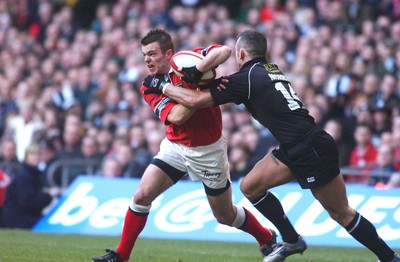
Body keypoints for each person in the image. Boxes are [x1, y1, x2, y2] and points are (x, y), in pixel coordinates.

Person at [143, 30, 399, 262]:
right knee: (250, 186)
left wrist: (163, 86)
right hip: (297, 145)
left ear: (241, 54)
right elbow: (229, 87)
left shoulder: (247, 78)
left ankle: (388, 258)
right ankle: (291, 240)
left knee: (341, 213)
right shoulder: (268, 69)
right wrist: (211, 81)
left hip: (310, 148)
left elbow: (197, 100)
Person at [92, 28, 276, 262]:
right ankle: (121, 255)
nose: (147, 60)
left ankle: (266, 237)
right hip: (175, 148)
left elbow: (225, 51)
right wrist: (198, 88)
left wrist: (197, 71)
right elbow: (177, 117)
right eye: (144, 55)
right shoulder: (150, 85)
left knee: (225, 215)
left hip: (209, 152)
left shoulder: (190, 60)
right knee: (141, 196)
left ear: (169, 54)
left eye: (152, 54)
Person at [2, 143, 60, 229]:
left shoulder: (31, 174)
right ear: (26, 157)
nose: (36, 157)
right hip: (18, 219)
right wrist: (49, 195)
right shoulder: (25, 177)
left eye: (38, 154)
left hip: (18, 217)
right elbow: (28, 202)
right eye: (33, 154)